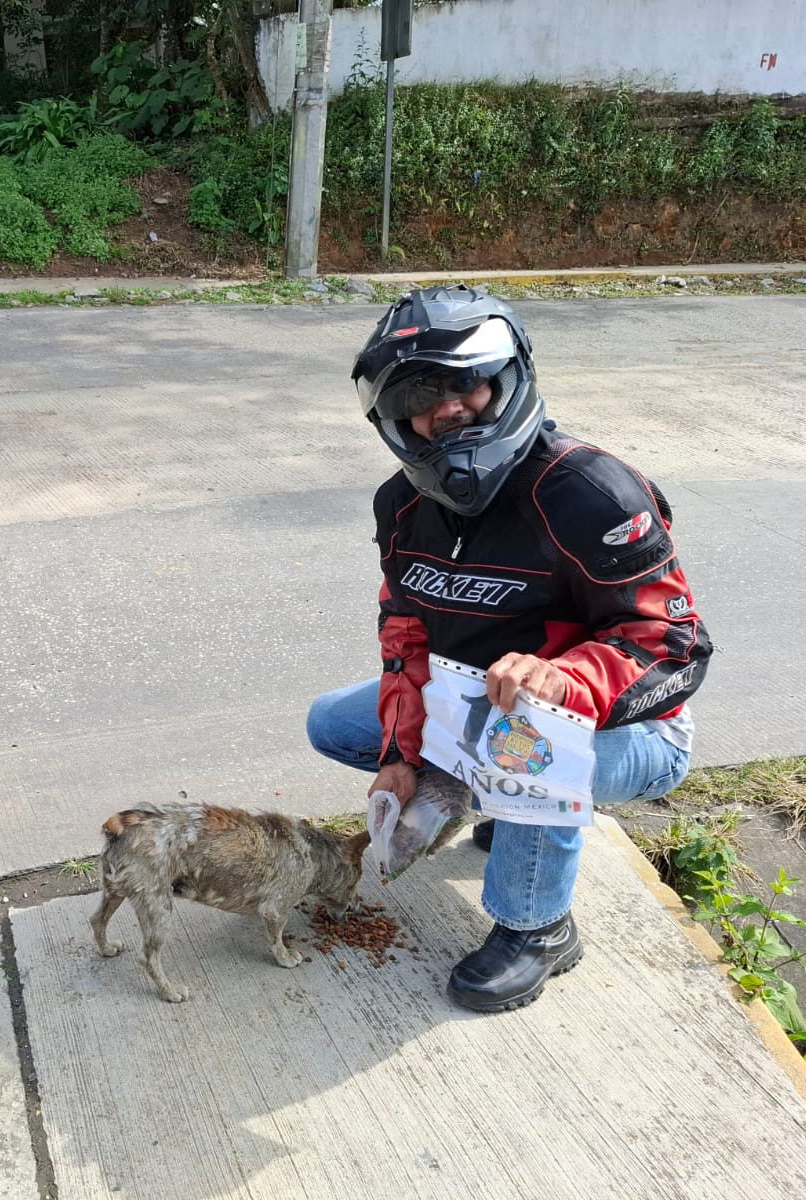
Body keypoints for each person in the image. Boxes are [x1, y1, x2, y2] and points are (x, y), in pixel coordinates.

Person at [307, 284, 712, 1013]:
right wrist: (403, 758)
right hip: (480, 712)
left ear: (508, 376)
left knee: (521, 746)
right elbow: (404, 637)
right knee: (333, 724)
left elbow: (673, 644)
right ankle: (483, 791)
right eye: (418, 397)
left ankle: (539, 930)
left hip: (637, 731)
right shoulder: (399, 505)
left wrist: (563, 680)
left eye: (464, 381)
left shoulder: (590, 492)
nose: (447, 407)